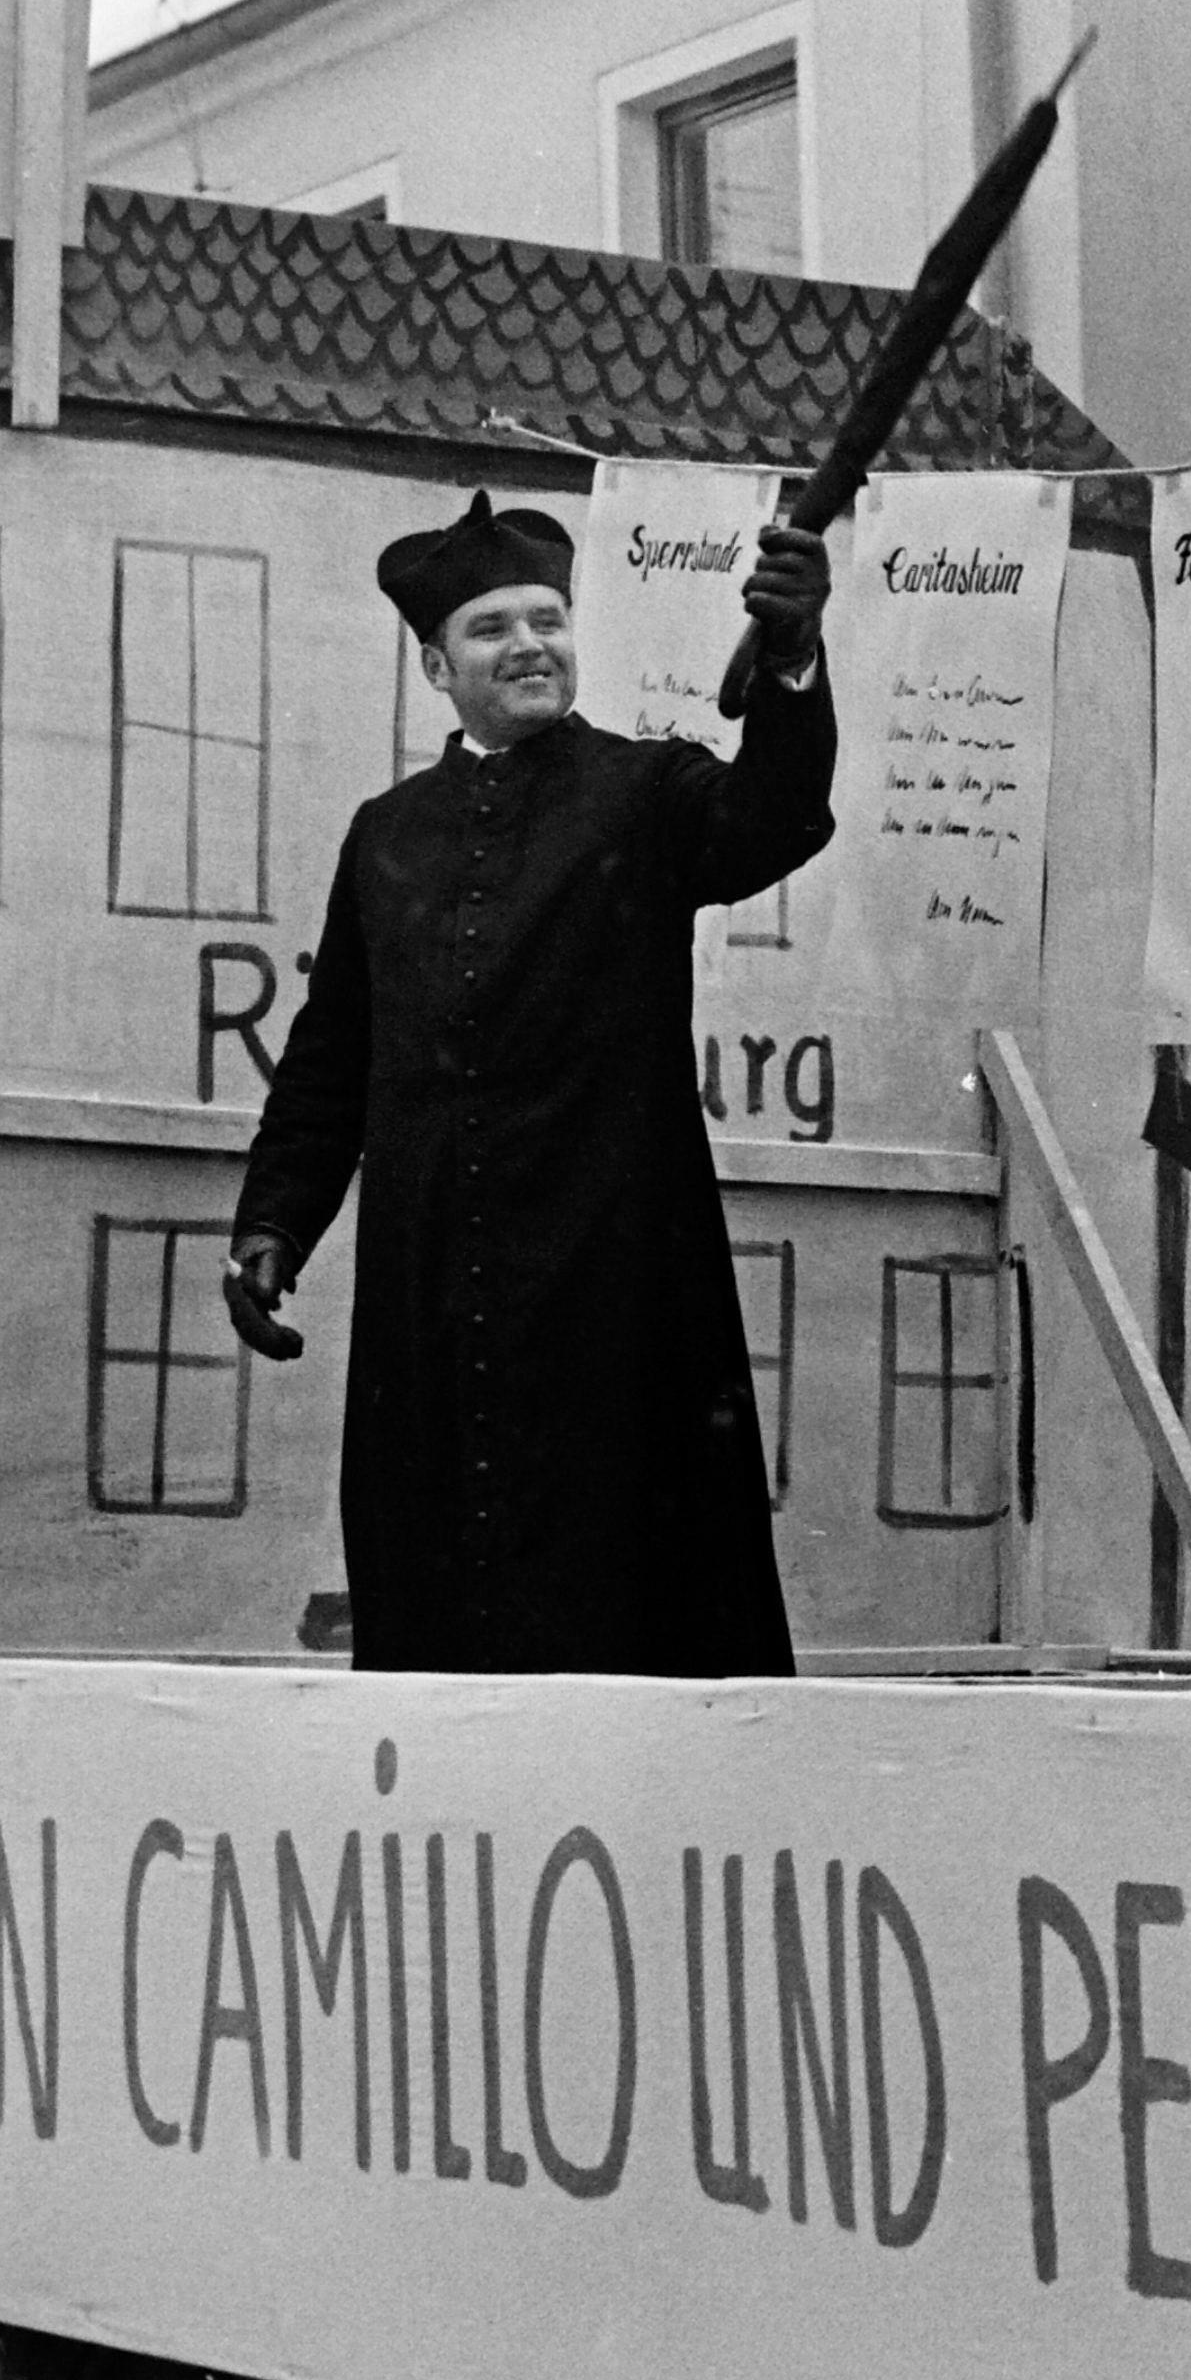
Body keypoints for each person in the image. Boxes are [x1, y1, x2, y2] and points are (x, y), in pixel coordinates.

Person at [227, 492, 836, 1673]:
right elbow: (330, 1058)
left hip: (615, 1289)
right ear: (434, 665)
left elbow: (776, 817)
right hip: (431, 1299)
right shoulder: (384, 833)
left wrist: (796, 659)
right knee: (441, 1614)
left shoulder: (648, 791)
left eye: (547, 619)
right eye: (494, 627)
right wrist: (273, 1225)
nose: (529, 645)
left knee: (628, 1615)